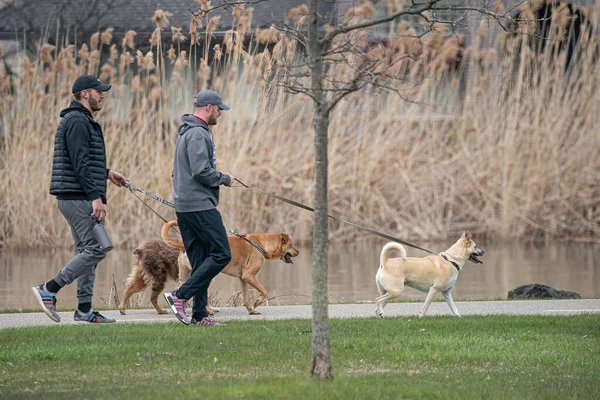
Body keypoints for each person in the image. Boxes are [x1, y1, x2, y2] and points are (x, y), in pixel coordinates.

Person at [31, 74, 128, 324]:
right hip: (78, 197)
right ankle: (49, 288)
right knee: (97, 249)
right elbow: (80, 164)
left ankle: (84, 310)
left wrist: (107, 174)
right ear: (85, 93)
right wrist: (95, 197)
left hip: (77, 194)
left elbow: (83, 161)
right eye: (98, 91)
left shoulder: (82, 120)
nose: (102, 95)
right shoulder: (77, 121)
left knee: (89, 250)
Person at [163, 89, 234, 327]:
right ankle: (180, 296)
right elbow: (201, 171)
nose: (220, 114)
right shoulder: (198, 134)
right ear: (208, 108)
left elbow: (178, 172)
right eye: (218, 109)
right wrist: (224, 178)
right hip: (199, 206)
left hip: (185, 206)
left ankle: (199, 315)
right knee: (222, 253)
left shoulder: (186, 133)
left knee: (201, 259)